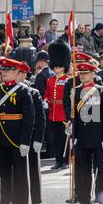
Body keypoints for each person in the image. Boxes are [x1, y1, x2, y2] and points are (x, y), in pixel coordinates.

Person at [0, 58, 35, 204]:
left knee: (21, 175)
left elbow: (29, 117)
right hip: (2, 140)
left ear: (16, 72)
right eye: (2, 70)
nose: (4, 73)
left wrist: (25, 141)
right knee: (4, 177)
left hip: (17, 140)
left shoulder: (23, 90)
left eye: (8, 70)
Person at [70, 62, 103, 204]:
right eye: (81, 73)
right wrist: (72, 132)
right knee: (83, 170)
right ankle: (85, 200)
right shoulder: (76, 91)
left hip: (98, 136)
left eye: (85, 73)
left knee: (101, 169)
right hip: (82, 136)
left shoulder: (101, 91)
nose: (82, 76)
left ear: (93, 74)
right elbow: (74, 116)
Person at [16, 62, 46, 204]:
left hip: (31, 136)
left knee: (33, 170)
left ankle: (36, 201)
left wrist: (38, 139)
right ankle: (16, 201)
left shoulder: (33, 92)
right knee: (16, 172)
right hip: (14, 137)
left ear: (23, 74)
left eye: (17, 72)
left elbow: (40, 118)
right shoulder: (8, 91)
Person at [44, 41, 71, 170]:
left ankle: (66, 161)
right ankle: (58, 160)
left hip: (64, 113)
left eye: (59, 67)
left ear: (64, 67)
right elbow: (47, 94)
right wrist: (45, 100)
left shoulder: (68, 79)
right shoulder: (50, 80)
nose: (56, 69)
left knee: (65, 140)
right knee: (56, 140)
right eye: (55, 67)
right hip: (53, 113)